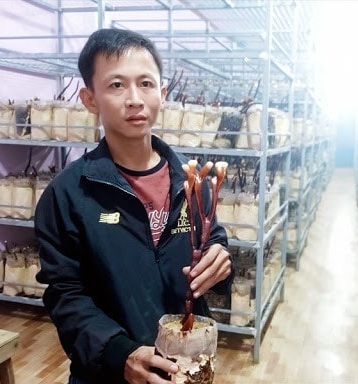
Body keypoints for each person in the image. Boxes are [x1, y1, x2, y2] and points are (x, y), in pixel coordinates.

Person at [34, 28, 234, 384]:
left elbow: (211, 238)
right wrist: (118, 352)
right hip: (106, 372)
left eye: (145, 83)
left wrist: (220, 256)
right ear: (89, 98)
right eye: (115, 85)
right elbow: (65, 294)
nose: (134, 99)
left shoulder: (191, 180)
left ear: (162, 92)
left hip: (185, 367)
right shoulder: (67, 195)